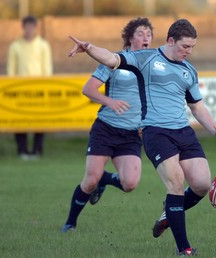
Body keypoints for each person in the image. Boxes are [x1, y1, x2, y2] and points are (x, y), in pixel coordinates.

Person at [68, 19, 216, 256]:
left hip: (183, 131)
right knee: (176, 183)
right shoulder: (146, 59)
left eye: (192, 47)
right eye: (185, 47)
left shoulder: (188, 69)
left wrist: (215, 130)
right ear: (171, 41)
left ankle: (169, 212)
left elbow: (197, 107)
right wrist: (89, 48)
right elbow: (112, 59)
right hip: (155, 131)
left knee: (202, 184)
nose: (189, 52)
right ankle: (185, 250)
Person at [61, 17, 154, 233]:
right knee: (90, 180)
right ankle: (70, 222)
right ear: (130, 38)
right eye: (141, 33)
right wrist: (110, 101)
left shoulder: (152, 65)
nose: (146, 37)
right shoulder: (114, 61)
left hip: (131, 134)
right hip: (106, 129)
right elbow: (88, 89)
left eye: (149, 34)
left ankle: (105, 179)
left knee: (130, 183)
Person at [7, 15, 53, 159]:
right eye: (26, 27)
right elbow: (11, 69)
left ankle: (37, 150)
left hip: (39, 90)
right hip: (20, 89)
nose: (29, 30)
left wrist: (45, 86)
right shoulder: (15, 46)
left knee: (39, 120)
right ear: (23, 27)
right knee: (19, 120)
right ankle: (22, 150)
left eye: (31, 27)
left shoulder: (43, 45)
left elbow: (47, 68)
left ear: (35, 28)